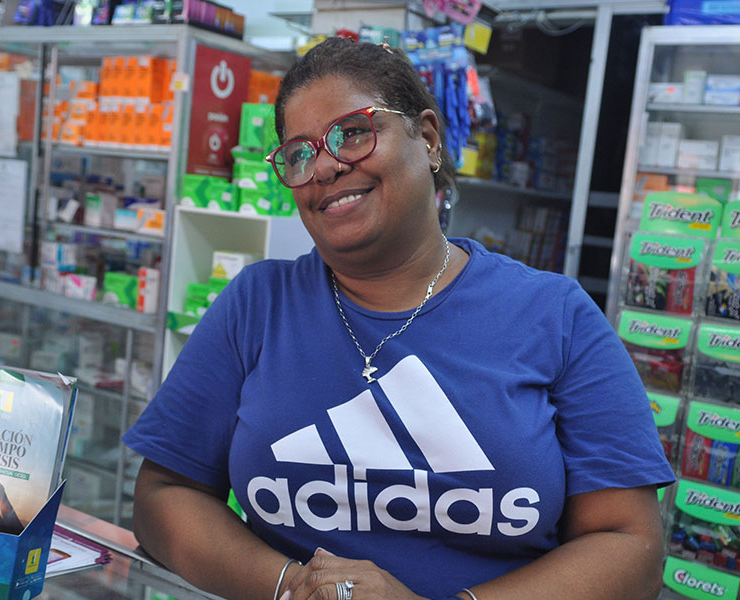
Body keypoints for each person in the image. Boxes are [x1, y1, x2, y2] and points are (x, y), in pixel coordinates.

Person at [124, 37, 675, 600]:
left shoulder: (555, 316)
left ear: (429, 139)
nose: (327, 166)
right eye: (299, 153)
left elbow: (630, 546)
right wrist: (292, 587)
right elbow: (164, 495)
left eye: (354, 132)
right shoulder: (258, 304)